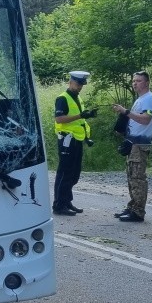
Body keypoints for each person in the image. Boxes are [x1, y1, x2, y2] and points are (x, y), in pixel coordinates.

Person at [112, 70, 152, 223]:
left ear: (146, 83)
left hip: (140, 144)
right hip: (132, 142)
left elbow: (145, 119)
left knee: (138, 178)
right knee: (131, 177)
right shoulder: (140, 99)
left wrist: (126, 112)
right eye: (134, 81)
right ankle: (132, 206)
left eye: (138, 81)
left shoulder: (149, 100)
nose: (135, 83)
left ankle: (138, 212)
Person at [52, 71, 97, 215]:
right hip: (67, 140)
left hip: (76, 139)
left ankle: (66, 200)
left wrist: (87, 120)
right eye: (77, 84)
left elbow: (79, 121)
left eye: (81, 85)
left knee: (74, 173)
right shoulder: (62, 98)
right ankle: (59, 205)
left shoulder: (77, 98)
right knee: (65, 172)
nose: (79, 87)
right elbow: (59, 119)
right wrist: (80, 115)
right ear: (70, 81)